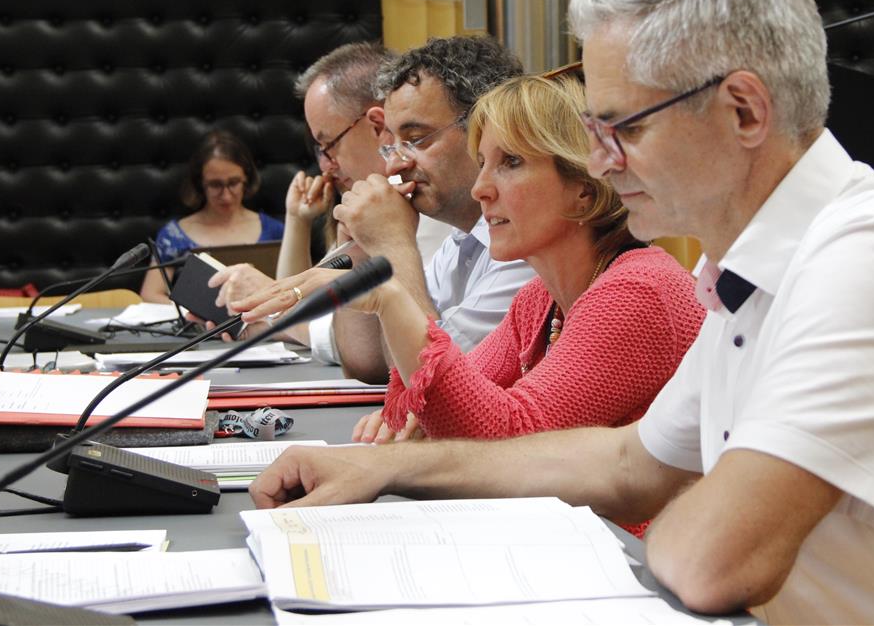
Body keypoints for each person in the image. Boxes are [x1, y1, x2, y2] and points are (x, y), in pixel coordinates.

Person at [248, 0, 874, 624]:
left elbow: (715, 562)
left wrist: (677, 509)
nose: (603, 161)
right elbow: (629, 462)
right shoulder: (741, 268)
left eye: (624, 128)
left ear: (744, 110)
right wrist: (385, 470)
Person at [346, 75, 704, 445]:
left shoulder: (639, 293)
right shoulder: (538, 301)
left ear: (584, 186)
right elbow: (443, 399)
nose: (480, 189)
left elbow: (511, 432)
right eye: (482, 164)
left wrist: (391, 293)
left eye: (511, 162)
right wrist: (413, 416)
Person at [232, 36, 537, 383]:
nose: (395, 165)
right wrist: (360, 248)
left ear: (483, 129)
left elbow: (433, 385)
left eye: (416, 139)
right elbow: (371, 365)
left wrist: (393, 246)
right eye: (392, 145)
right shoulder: (461, 242)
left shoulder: (524, 247)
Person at [207, 43, 450, 351]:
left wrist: (267, 314)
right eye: (319, 150)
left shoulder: (424, 200)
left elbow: (367, 345)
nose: (325, 165)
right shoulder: (372, 202)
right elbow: (305, 302)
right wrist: (297, 221)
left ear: (378, 127)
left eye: (329, 145)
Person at [140, 130, 284, 303]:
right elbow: (150, 294)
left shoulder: (275, 230)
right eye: (215, 185)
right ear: (200, 184)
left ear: (246, 178)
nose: (226, 196)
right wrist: (192, 311)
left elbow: (294, 288)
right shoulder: (173, 235)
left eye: (233, 183)